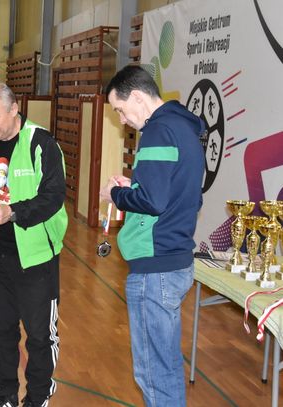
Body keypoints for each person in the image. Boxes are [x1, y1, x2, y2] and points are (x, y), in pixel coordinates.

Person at [100, 65, 205, 407]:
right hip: (175, 261)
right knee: (165, 364)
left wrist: (116, 195)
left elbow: (153, 202)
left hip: (156, 267)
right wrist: (136, 185)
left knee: (154, 372)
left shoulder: (158, 131)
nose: (122, 120)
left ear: (138, 97)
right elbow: (180, 194)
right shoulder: (183, 128)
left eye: (120, 110)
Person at [0, 83, 68, 407]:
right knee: (1, 330)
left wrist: (13, 212)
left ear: (14, 109)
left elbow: (53, 197)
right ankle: (5, 394)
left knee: (40, 336)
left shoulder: (41, 143)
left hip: (36, 259)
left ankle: (38, 397)